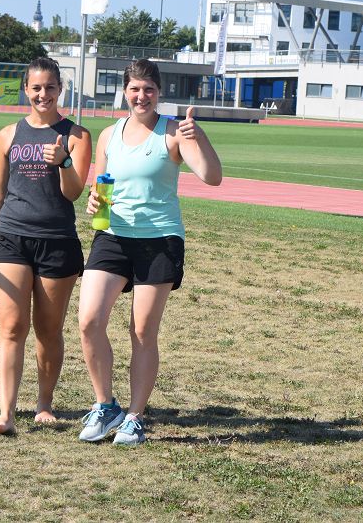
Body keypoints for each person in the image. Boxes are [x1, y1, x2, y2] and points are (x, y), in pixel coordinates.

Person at [77, 58, 222, 445]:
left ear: (159, 93)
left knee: (142, 331)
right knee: (89, 320)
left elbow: (212, 177)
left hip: (159, 240)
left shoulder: (173, 132)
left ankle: (135, 417)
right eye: (135, 89)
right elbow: (102, 184)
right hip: (112, 236)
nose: (142, 96)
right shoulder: (109, 135)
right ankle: (105, 406)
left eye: (149, 90)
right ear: (124, 91)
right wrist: (94, 200)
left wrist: (199, 136)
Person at [0, 57, 92, 435]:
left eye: (50, 87)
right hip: (10, 239)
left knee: (48, 329)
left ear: (61, 89)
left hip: (57, 242)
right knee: (11, 328)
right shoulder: (8, 134)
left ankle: (44, 404)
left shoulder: (77, 135)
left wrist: (64, 162)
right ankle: (6, 414)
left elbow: (73, 193)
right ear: (26, 89)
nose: (43, 94)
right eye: (36, 88)